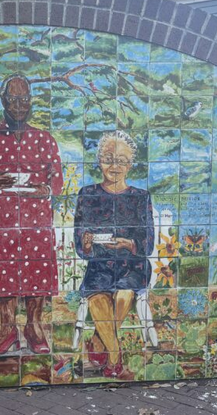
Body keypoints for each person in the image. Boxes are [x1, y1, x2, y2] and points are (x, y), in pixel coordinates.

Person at [0, 74, 64, 355]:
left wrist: (44, 189)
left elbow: (57, 181)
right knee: (3, 272)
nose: (19, 105)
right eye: (13, 99)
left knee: (37, 272)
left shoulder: (44, 139)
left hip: (36, 219)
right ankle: (7, 331)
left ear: (31, 101)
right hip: (3, 220)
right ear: (4, 102)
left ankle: (34, 328)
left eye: (24, 99)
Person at [74, 130, 154, 378]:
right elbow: (80, 246)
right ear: (99, 161)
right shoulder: (87, 195)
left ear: (130, 165)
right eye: (109, 159)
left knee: (124, 294)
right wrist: (87, 243)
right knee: (97, 297)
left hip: (132, 266)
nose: (114, 166)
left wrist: (128, 244)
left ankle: (100, 340)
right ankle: (114, 356)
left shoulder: (141, 197)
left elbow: (148, 244)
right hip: (99, 265)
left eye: (121, 160)